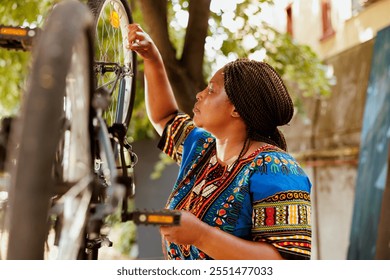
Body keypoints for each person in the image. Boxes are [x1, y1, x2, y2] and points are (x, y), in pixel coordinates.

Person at [128, 23, 312, 260]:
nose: (199, 94)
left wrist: (201, 236)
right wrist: (151, 57)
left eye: (211, 90)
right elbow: (164, 116)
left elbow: (286, 263)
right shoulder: (201, 148)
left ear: (236, 109)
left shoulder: (278, 169)